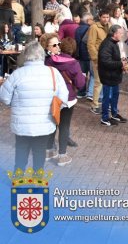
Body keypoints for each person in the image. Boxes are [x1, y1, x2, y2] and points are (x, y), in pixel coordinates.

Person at [0, 41, 68, 171]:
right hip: (44, 122)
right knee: (39, 152)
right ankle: (38, 179)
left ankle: (18, 179)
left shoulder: (17, 74)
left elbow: (4, 98)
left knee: (21, 152)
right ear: (42, 55)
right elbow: (63, 97)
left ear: (26, 55)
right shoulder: (53, 73)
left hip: (21, 123)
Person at [41, 35, 85, 166]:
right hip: (67, 98)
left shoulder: (46, 62)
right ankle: (62, 155)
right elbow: (80, 83)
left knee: (52, 122)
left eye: (58, 43)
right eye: (54, 45)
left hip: (51, 97)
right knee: (64, 125)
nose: (57, 46)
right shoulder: (72, 63)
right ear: (47, 47)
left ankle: (49, 151)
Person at [98, 25, 128, 126]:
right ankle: (105, 117)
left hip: (114, 75)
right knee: (108, 97)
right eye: (120, 33)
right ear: (114, 34)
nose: (122, 34)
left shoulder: (114, 43)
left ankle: (114, 114)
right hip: (108, 76)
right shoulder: (107, 44)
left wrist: (121, 63)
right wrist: (120, 64)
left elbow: (112, 59)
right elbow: (105, 62)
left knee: (115, 96)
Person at [87, 9, 110, 113]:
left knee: (107, 81)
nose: (106, 19)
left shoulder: (109, 26)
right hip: (98, 59)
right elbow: (90, 44)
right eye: (104, 17)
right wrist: (96, 58)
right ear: (100, 17)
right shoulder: (94, 27)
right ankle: (94, 104)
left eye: (107, 17)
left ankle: (105, 103)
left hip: (107, 58)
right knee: (98, 82)